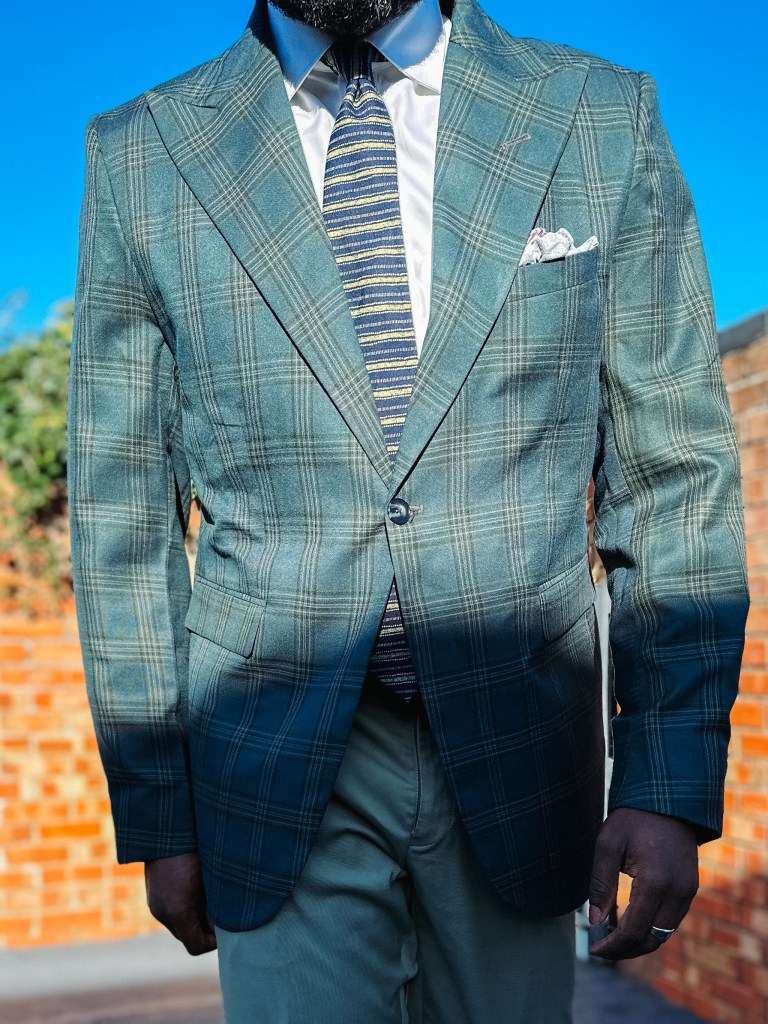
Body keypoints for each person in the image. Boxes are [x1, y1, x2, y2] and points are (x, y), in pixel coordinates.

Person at [67, 0, 750, 1020]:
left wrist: (666, 778)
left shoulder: (598, 114)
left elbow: (674, 474)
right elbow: (122, 513)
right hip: (273, 759)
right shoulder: (143, 153)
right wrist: (159, 807)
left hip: (524, 752)